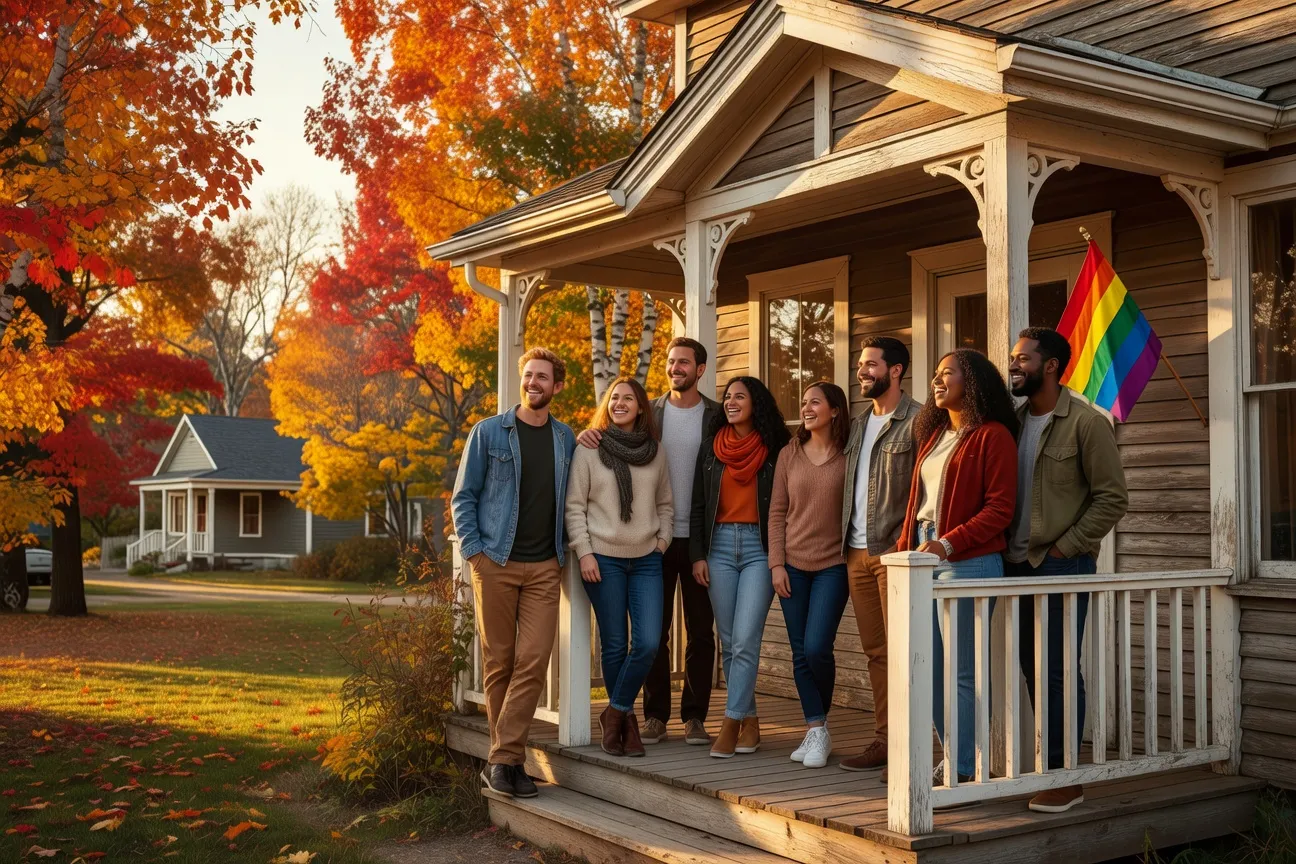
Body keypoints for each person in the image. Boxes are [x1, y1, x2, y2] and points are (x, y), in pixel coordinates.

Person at [576, 337, 720, 747]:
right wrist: (590, 433)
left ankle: (693, 716)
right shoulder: (650, 409)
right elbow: (610, 429)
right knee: (655, 633)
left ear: (700, 369)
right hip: (650, 541)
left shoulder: (714, 416)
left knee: (700, 630)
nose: (676, 368)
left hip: (694, 537)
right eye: (671, 362)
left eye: (684, 363)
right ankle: (654, 715)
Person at [1007, 327, 1129, 814]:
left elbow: (1113, 499)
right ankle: (1048, 766)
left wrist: (1066, 548)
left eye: (1023, 359)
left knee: (1056, 669)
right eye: (1013, 359)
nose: (1014, 366)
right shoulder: (1013, 423)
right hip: (1014, 566)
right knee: (1032, 670)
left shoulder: (1086, 423)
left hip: (1061, 563)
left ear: (1051, 366)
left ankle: (1066, 777)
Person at [451, 347, 577, 800]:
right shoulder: (488, 433)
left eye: (543, 377)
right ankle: (512, 763)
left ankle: (500, 760)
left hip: (546, 565)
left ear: (556, 386)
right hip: (496, 564)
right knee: (499, 662)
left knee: (533, 660)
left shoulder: (567, 440)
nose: (533, 383)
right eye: (528, 375)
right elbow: (463, 497)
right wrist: (475, 553)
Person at [898, 348, 1018, 787]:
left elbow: (1000, 510)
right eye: (935, 372)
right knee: (928, 668)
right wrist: (905, 549)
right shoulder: (932, 436)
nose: (937, 379)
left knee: (961, 671)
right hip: (921, 555)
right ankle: (952, 755)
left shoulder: (993, 436)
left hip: (967, 561)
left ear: (972, 381)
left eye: (947, 372)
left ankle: (964, 766)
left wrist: (947, 544)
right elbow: (917, 505)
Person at [566, 376, 674, 758]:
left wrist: (662, 541)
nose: (620, 403)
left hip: (647, 559)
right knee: (614, 644)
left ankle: (615, 713)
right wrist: (584, 551)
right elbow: (574, 507)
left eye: (629, 398)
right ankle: (626, 727)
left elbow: (665, 504)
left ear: (641, 407)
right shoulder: (589, 450)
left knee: (646, 642)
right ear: (606, 405)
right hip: (603, 559)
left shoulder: (656, 452)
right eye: (615, 398)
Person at [691, 376, 789, 759]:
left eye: (739, 396)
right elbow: (698, 505)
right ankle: (750, 721)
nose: (730, 402)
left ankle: (730, 722)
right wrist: (698, 554)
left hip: (758, 550)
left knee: (746, 639)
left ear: (756, 403)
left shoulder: (776, 448)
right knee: (729, 643)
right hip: (718, 548)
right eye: (727, 396)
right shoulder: (710, 450)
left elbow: (782, 506)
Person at [838, 337, 919, 773]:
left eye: (871, 364)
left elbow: (925, 491)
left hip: (895, 553)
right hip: (855, 554)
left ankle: (913, 744)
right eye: (860, 364)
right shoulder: (857, 424)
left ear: (896, 370)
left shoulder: (921, 419)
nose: (862, 371)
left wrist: (906, 543)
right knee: (876, 653)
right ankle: (886, 740)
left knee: (907, 651)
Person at [769, 381, 851, 769]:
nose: (806, 408)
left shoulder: (848, 455)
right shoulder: (790, 453)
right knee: (800, 651)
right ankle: (816, 728)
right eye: (803, 403)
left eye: (814, 402)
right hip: (793, 567)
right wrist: (776, 564)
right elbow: (776, 513)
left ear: (834, 410)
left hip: (834, 565)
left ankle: (822, 724)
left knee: (818, 647)